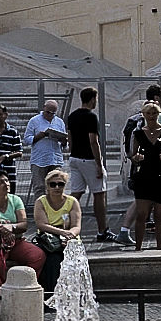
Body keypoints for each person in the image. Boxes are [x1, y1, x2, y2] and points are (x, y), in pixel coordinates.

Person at [0, 167, 44, 290]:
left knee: (37, 255)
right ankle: (3, 291)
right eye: (1, 182)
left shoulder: (16, 200)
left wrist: (11, 227)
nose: (6, 184)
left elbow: (24, 225)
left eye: (7, 181)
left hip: (15, 242)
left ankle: (25, 287)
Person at [124, 102, 161, 250]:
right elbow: (133, 154)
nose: (151, 116)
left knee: (159, 215)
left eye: (154, 113)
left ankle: (160, 247)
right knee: (142, 214)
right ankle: (138, 247)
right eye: (148, 113)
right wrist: (137, 157)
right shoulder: (139, 134)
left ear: (158, 115)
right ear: (144, 115)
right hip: (144, 177)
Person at [63, 89, 113, 244]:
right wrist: (99, 164)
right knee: (99, 194)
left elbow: (70, 138)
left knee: (76, 194)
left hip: (75, 158)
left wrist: (74, 153)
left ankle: (64, 224)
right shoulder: (91, 117)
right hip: (89, 159)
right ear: (92, 99)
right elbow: (93, 141)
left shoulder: (72, 116)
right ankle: (102, 230)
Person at [29, 168, 81, 287]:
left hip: (68, 238)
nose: (57, 187)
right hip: (48, 239)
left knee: (74, 257)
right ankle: (51, 292)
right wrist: (62, 233)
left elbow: (76, 226)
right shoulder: (40, 202)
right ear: (47, 186)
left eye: (60, 184)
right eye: (53, 184)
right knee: (53, 260)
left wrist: (69, 236)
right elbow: (42, 225)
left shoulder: (72, 202)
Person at [25, 99, 70, 197]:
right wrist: (39, 136)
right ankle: (40, 210)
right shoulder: (34, 121)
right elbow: (27, 139)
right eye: (48, 112)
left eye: (52, 113)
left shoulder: (59, 122)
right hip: (39, 160)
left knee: (57, 186)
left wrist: (63, 140)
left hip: (55, 159)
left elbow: (64, 144)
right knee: (40, 187)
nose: (49, 115)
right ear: (44, 108)